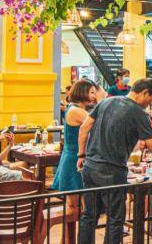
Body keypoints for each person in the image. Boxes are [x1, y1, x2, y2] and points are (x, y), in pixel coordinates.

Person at [77, 78, 152, 244]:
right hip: (112, 172)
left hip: (90, 167)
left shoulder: (106, 102)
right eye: (151, 98)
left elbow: (84, 128)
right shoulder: (139, 113)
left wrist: (81, 156)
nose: (150, 102)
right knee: (114, 220)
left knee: (89, 216)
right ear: (145, 92)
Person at [51, 78, 97, 219]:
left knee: (78, 204)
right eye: (92, 92)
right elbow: (99, 121)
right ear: (82, 92)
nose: (94, 96)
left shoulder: (75, 108)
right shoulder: (75, 110)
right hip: (74, 159)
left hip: (72, 156)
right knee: (74, 206)